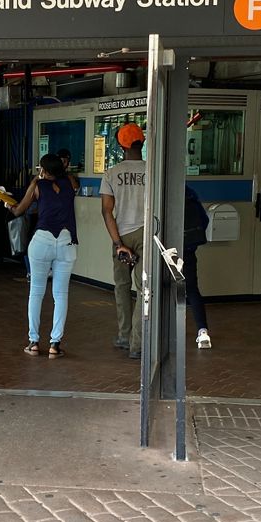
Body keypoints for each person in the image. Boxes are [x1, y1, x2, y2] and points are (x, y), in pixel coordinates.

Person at [8, 153, 78, 357]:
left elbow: (18, 211)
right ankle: (55, 344)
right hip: (66, 241)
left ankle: (34, 342)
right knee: (61, 295)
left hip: (41, 242)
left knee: (36, 292)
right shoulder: (70, 183)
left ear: (44, 170)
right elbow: (70, 181)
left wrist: (7, 203)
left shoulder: (38, 185)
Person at [101, 123, 147, 359]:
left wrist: (118, 243)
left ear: (121, 147)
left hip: (121, 233)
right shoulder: (152, 171)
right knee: (144, 289)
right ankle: (137, 345)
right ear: (142, 142)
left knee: (121, 286)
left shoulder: (111, 173)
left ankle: (124, 336)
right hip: (146, 234)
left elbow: (107, 211)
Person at [183, 186, 212, 349]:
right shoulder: (190, 193)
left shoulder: (159, 192)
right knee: (192, 290)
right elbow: (204, 220)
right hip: (188, 250)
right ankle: (202, 331)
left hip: (166, 251)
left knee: (164, 288)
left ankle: (165, 327)